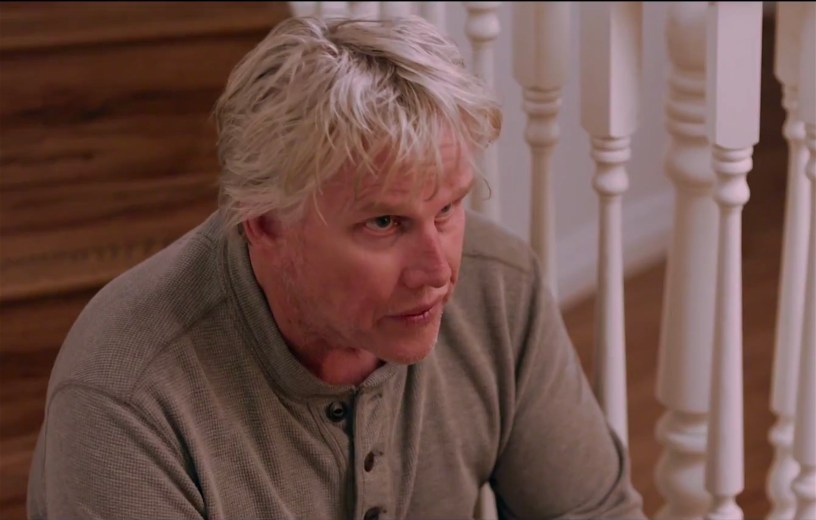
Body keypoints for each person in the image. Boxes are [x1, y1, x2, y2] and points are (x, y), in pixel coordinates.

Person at [27, 14, 645, 520]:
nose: (436, 271)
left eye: (448, 208)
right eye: (385, 223)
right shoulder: (127, 395)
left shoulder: (500, 288)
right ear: (265, 224)